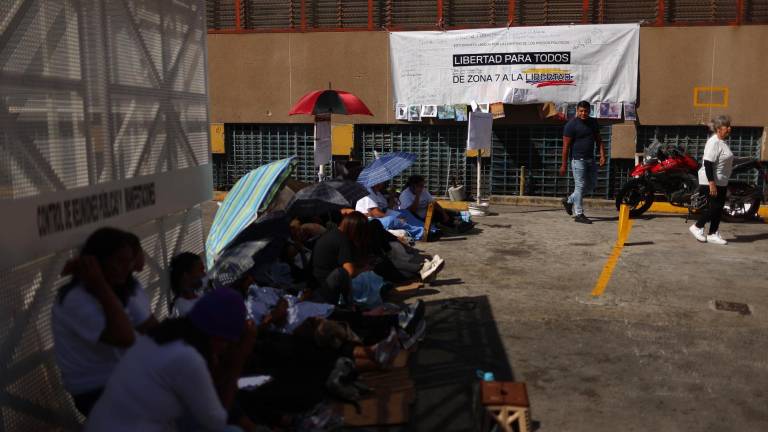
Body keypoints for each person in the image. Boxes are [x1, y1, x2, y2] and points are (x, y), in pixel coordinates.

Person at [85, 288, 257, 431]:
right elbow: (216, 422)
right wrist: (238, 359)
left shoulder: (162, 336)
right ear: (219, 337)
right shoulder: (187, 359)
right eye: (227, 342)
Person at [52, 227, 151, 416]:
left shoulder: (121, 287)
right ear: (97, 263)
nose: (126, 268)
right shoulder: (76, 298)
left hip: (123, 375)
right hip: (96, 388)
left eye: (128, 261)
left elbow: (151, 326)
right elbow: (125, 337)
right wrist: (99, 283)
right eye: (120, 261)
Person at [689, 115, 734, 245]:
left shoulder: (721, 141)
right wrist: (711, 183)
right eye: (727, 126)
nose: (730, 128)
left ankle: (713, 233)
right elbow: (708, 163)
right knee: (715, 207)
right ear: (719, 129)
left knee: (718, 208)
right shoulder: (714, 142)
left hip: (721, 181)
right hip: (711, 180)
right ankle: (697, 226)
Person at [559, 100, 606, 224]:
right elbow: (565, 147)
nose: (583, 113)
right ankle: (579, 214)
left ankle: (569, 200)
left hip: (591, 159)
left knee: (591, 185)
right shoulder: (571, 125)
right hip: (577, 160)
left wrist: (602, 155)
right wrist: (563, 164)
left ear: (589, 111)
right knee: (580, 186)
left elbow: (599, 140)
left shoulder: (593, 122)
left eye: (586, 111)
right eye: (581, 111)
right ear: (577, 111)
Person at [398, 175, 473, 233]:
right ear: (413, 186)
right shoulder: (405, 195)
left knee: (447, 212)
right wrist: (417, 195)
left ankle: (458, 222)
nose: (422, 187)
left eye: (423, 185)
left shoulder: (423, 191)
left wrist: (444, 213)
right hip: (416, 219)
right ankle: (455, 225)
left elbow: (433, 203)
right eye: (420, 185)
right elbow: (411, 211)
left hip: (428, 213)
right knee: (438, 215)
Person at [356, 182, 426, 240]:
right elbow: (376, 213)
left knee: (404, 212)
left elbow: (387, 209)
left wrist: (392, 196)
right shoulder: (368, 194)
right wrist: (396, 218)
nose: (385, 184)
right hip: (370, 220)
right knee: (392, 219)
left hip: (380, 217)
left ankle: (428, 228)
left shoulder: (378, 194)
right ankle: (421, 232)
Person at [169, 252, 206, 317]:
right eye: (201, 270)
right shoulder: (183, 308)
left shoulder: (199, 294)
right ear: (186, 275)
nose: (204, 274)